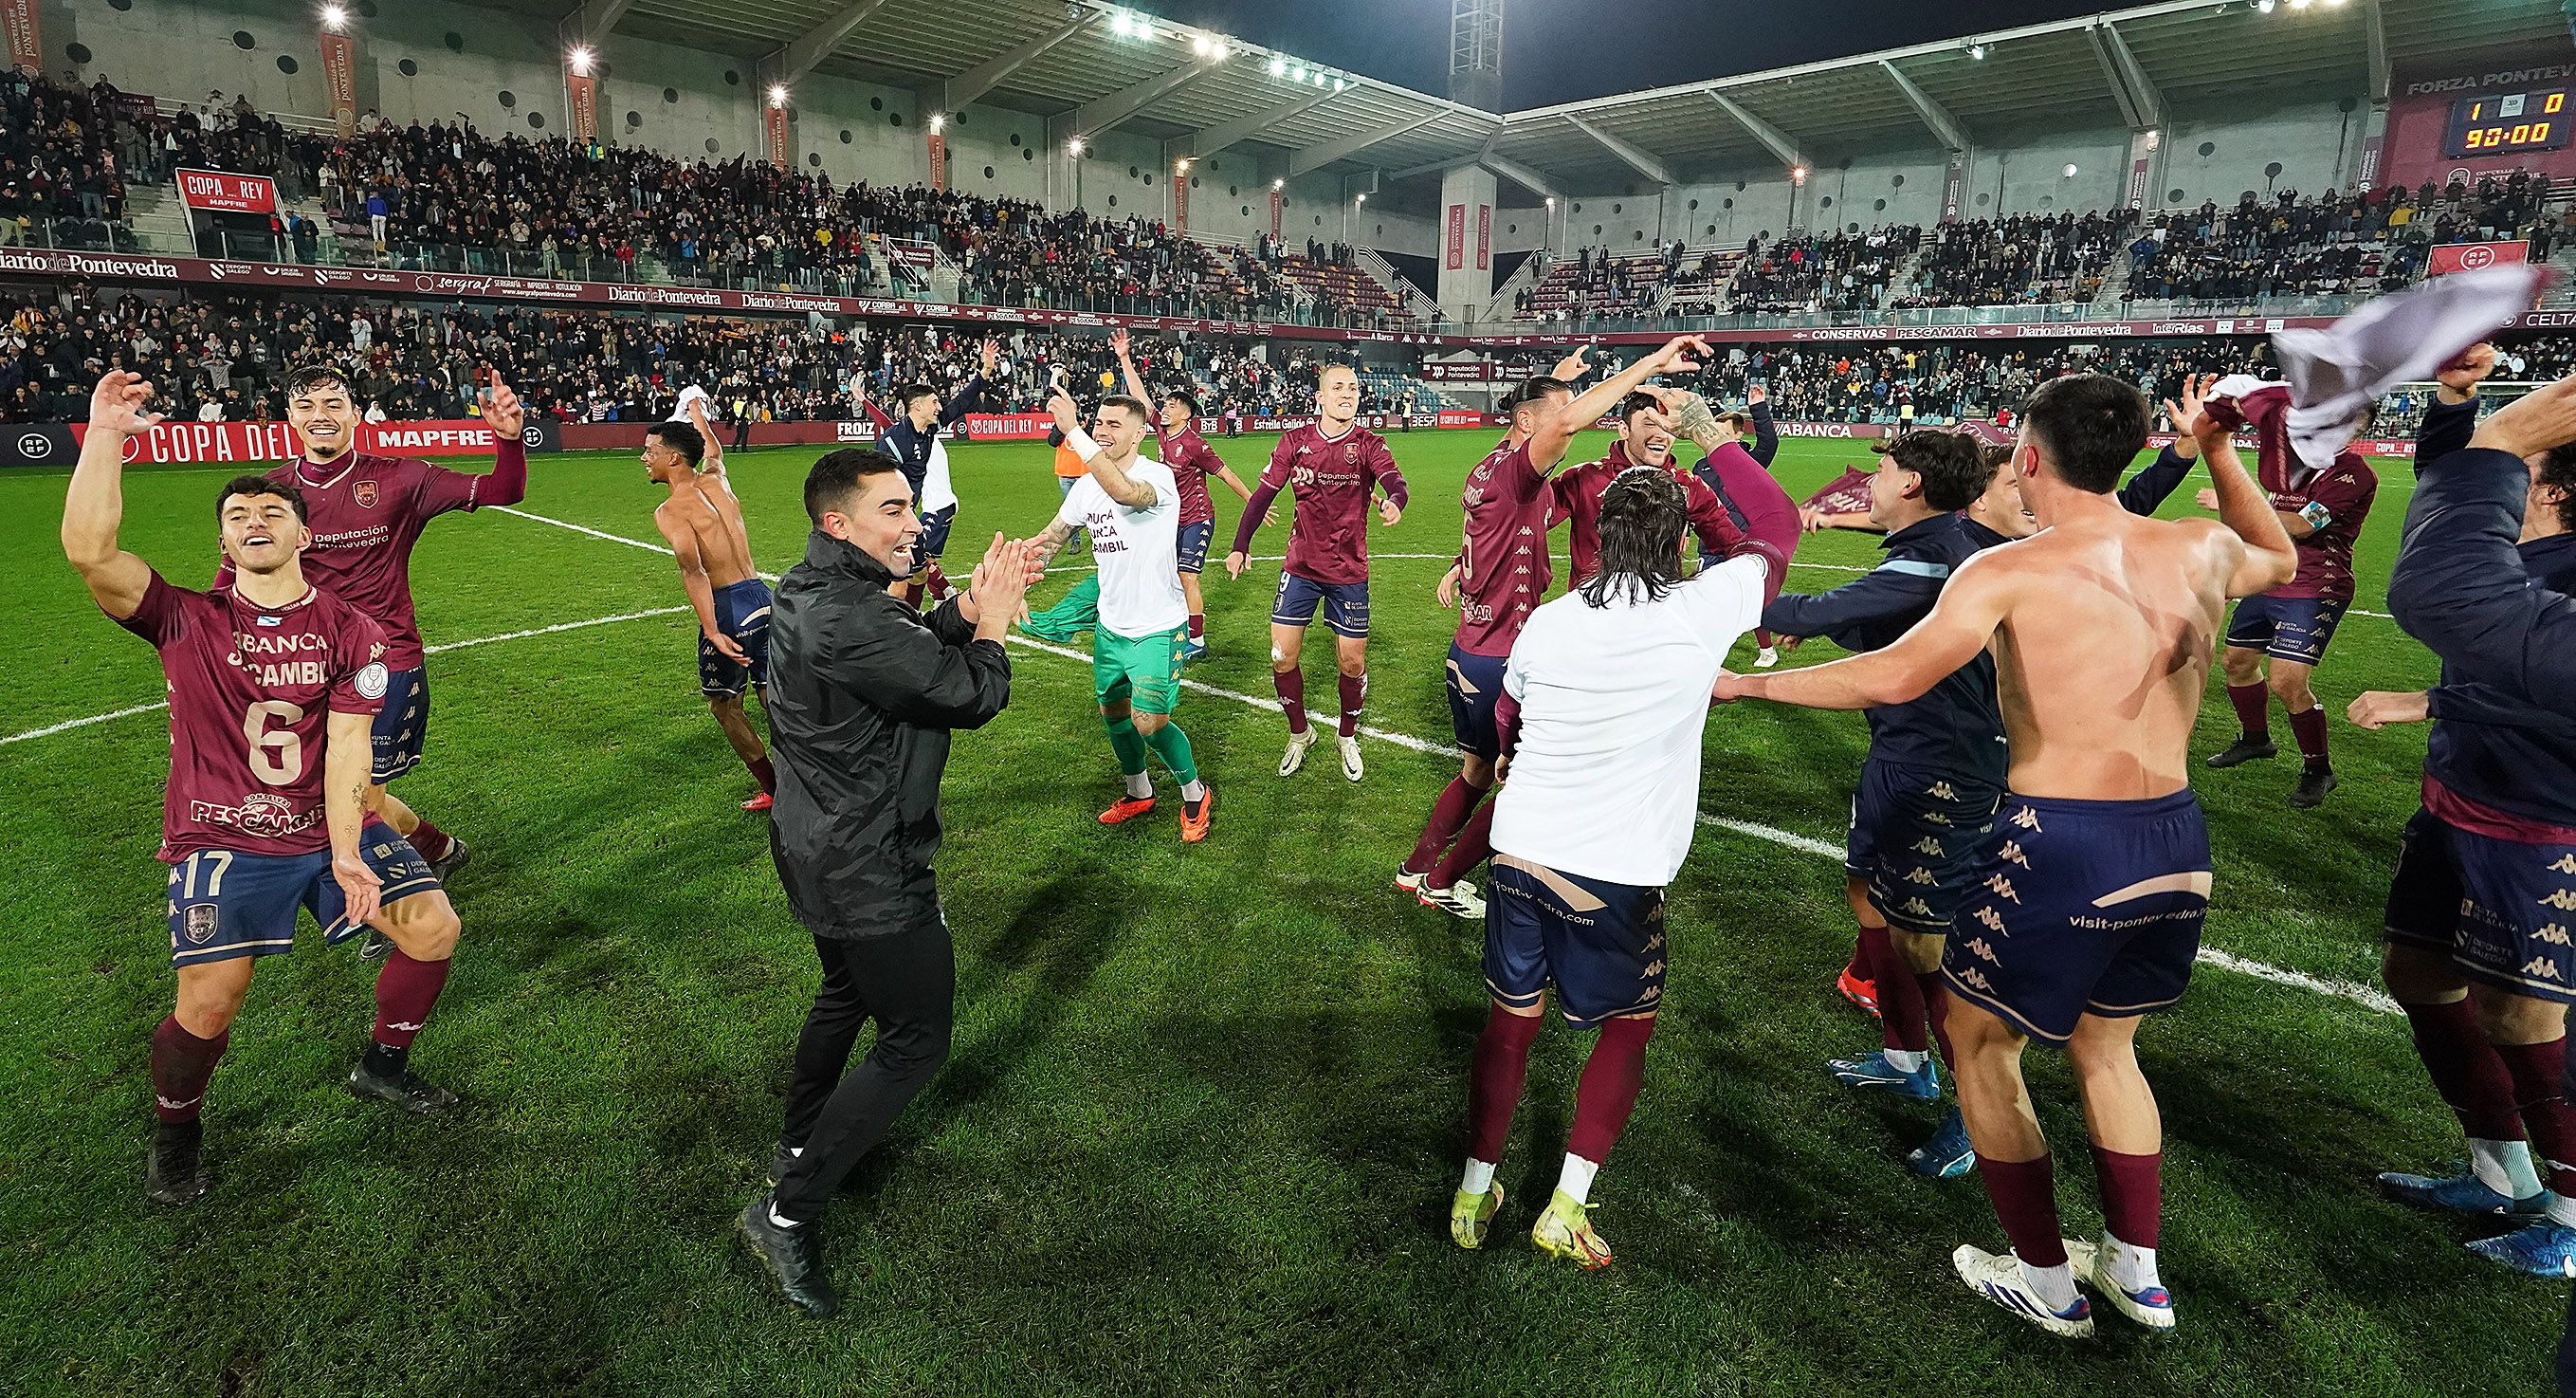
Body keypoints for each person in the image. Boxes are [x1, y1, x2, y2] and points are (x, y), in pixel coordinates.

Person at [1717, 373, 2298, 1338]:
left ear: (2027, 457)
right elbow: (2278, 555)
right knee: (2108, 1049)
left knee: (1983, 1045)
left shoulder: (2006, 568)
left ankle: (2042, 1276)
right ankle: (2135, 1273)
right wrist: (2218, 452)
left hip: (2059, 837)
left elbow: (1892, 675)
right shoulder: (2196, 546)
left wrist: (1744, 689)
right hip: (2175, 835)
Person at [64, 371, 466, 1207]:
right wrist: (106, 433)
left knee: (431, 927)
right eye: (237, 516)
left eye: (271, 512)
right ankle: (177, 1130)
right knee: (212, 1003)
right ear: (222, 540)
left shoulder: (355, 632)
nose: (253, 521)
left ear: (304, 534)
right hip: (224, 834)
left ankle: (382, 1067)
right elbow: (90, 552)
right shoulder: (186, 618)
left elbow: (352, 747)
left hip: (323, 827)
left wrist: (352, 854)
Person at [1449, 467, 1779, 1269]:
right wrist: (1711, 455)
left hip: (1520, 851)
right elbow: (1776, 528)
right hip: (1614, 870)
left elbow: (1509, 712)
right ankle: (1564, 1205)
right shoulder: (1701, 608)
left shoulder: (1553, 619)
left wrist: (1508, 760)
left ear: (1597, 530)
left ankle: (1471, 1191)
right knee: (1626, 1033)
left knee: (1507, 1026)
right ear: (1678, 541)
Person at [737, 448, 1033, 1317]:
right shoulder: (851, 616)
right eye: (895, 511)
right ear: (840, 523)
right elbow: (965, 694)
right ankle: (786, 1212)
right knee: (915, 1039)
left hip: (815, 840)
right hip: (868, 858)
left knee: (842, 995)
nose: (915, 525)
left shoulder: (808, 589)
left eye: (911, 507)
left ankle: (800, 1145)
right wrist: (992, 627)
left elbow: (891, 656)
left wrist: (962, 606)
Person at [2363, 355, 2576, 1278]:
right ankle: (2500, 1172)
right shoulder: (2519, 539)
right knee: (2416, 973)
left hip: (2540, 824)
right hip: (2459, 800)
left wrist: (2431, 702)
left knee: (2522, 1019)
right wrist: (2455, 405)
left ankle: (2568, 1216)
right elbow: (2450, 500)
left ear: (2541, 484)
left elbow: (2542, 694)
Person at [1406, 339, 1725, 921]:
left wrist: (1551, 385)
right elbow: (1561, 427)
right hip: (1508, 655)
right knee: (1521, 785)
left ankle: (1418, 866)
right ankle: (1447, 880)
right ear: (1530, 423)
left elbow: (1516, 488)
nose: (1572, 426)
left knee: (1478, 771)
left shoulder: (1493, 467)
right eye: (1561, 417)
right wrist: (1652, 363)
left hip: (1473, 648)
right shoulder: (1538, 471)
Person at [1761, 430, 2002, 1181]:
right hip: (1901, 753)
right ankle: (1906, 1057)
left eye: (1883, 467)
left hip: (1947, 769)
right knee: (1867, 896)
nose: (1871, 477)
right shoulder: (1934, 543)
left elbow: (1820, 608)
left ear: (1911, 485)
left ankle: (1976, 1117)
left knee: (1933, 946)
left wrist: (1723, 598)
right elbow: (1885, 623)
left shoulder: (1935, 556)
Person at [228, 361, 527, 959]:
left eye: (334, 404)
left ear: (356, 415)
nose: (322, 417)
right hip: (309, 668)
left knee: (355, 796)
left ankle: (392, 904)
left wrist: (508, 440)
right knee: (346, 791)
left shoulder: (401, 478)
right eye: (308, 407)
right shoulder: (271, 497)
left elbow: (502, 490)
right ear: (291, 419)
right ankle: (440, 850)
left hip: (384, 664)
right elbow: (236, 573)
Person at [1019, 378, 1213, 840]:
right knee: (1115, 714)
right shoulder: (1086, 488)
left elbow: (1125, 492)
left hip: (1159, 628)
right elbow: (1054, 537)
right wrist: (1026, 557)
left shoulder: (1158, 478)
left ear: (1138, 432)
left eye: (1113, 424)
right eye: (1098, 421)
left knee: (1150, 722)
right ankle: (1139, 792)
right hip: (1111, 627)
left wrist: (1076, 434)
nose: (1102, 429)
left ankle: (1194, 793)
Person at [2199, 383, 2380, 808]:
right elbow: (2267, 526)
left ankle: (2319, 770)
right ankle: (2256, 739)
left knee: (2287, 681)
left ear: (2359, 428)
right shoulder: (2289, 462)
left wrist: (2232, 506)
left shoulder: (2353, 473)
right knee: (2237, 663)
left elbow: (2303, 525)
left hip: (2317, 584)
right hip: (2272, 577)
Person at [1225, 363, 1409, 781]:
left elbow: (1395, 481)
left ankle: (1347, 736)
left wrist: (1395, 500)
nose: (1347, 392)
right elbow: (1262, 496)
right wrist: (1240, 545)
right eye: (1338, 386)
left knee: (1350, 663)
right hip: (1301, 567)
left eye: (1353, 387)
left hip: (1349, 571)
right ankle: (1300, 732)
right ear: (1320, 397)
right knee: (1281, 655)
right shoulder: (1295, 442)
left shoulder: (1368, 443)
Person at [643, 419, 776, 812]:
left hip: (728, 607)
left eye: (650, 451)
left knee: (725, 706)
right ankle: (822, 778)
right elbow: (714, 452)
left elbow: (693, 569)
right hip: (763, 598)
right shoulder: (717, 482)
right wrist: (699, 413)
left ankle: (775, 789)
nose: (644, 458)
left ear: (674, 458)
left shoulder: (669, 511)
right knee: (777, 699)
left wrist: (712, 629)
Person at [1112, 330, 1254, 659]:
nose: (1164, 408)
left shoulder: (1194, 443)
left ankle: (1197, 643)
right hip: (1169, 518)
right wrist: (1124, 358)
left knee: (1187, 578)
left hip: (1197, 519)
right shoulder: (1162, 431)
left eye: (1172, 406)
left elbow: (1226, 473)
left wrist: (1253, 500)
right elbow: (1139, 396)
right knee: (1169, 578)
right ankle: (1177, 629)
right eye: (1165, 404)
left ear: (1186, 414)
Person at [878, 340, 998, 607]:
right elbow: (878, 486)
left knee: (919, 573)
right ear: (917, 406)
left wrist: (985, 370)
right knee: (899, 580)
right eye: (934, 402)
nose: (939, 407)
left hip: (909, 514)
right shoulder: (894, 441)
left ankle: (913, 619)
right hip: (889, 519)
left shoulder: (928, 430)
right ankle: (892, 628)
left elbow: (961, 403)